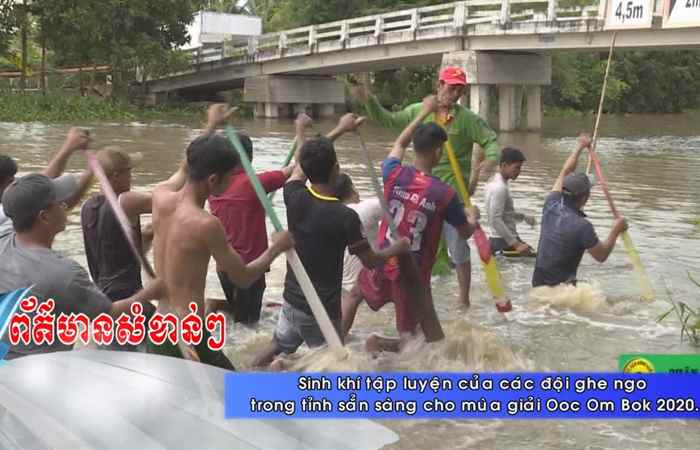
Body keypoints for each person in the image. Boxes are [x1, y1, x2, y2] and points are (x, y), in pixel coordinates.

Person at [252, 113, 410, 368]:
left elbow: (300, 165)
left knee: (277, 345)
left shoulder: (294, 196)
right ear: (336, 169)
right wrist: (397, 248)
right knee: (330, 364)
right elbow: (370, 261)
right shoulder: (345, 217)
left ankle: (242, 381)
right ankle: (288, 369)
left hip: (291, 299)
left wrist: (311, 130)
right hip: (322, 309)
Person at [150, 105, 294, 369]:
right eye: (230, 177)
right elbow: (243, 276)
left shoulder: (160, 196)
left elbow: (187, 165)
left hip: (160, 325)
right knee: (238, 398)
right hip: (188, 333)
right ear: (213, 180)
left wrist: (211, 124)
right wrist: (277, 247)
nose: (233, 182)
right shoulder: (206, 224)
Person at [354, 66, 500, 308]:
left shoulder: (467, 120)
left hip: (453, 196)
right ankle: (422, 292)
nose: (454, 94)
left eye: (459, 90)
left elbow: (490, 140)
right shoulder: (418, 111)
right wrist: (370, 102)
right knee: (422, 249)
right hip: (423, 195)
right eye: (451, 88)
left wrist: (491, 159)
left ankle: (463, 299)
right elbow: (389, 120)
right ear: (439, 85)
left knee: (459, 249)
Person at [342, 96, 477, 351]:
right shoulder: (444, 194)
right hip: (412, 274)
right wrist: (473, 215)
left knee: (354, 295)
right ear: (438, 153)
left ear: (416, 148)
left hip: (383, 259)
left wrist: (423, 112)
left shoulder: (392, 172)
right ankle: (378, 343)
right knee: (416, 341)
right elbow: (465, 232)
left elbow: (399, 142)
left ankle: (334, 347)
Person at [0, 174, 164, 359]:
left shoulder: (3, 236)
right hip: (39, 368)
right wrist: (150, 292)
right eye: (59, 203)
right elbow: (109, 314)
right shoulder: (64, 274)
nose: (65, 205)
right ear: (44, 217)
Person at [208, 133, 294, 324]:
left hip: (224, 266)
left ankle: (218, 306)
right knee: (248, 324)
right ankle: (216, 308)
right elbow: (296, 170)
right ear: (249, 157)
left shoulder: (213, 186)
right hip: (251, 268)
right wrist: (302, 134)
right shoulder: (253, 183)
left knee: (239, 312)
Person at [81, 148, 187, 302]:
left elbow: (112, 247)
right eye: (129, 172)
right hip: (127, 295)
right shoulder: (125, 201)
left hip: (103, 299)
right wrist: (188, 164)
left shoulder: (87, 207)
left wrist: (148, 233)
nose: (132, 177)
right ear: (116, 176)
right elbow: (167, 197)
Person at [532, 134, 629, 287]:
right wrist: (616, 230)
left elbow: (565, 171)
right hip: (562, 289)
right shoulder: (582, 226)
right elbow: (601, 255)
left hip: (538, 283)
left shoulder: (551, 203)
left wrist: (580, 147)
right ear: (584, 198)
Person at [0, 128, 94, 235]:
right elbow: (62, 205)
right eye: (10, 182)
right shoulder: (7, 213)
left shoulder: (9, 204)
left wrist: (69, 147)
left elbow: (39, 184)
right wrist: (90, 173)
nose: (15, 185)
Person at [334, 173, 383, 337]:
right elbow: (394, 206)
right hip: (365, 275)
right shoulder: (367, 208)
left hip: (338, 276)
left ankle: (334, 341)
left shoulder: (333, 213)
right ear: (352, 189)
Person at [484, 146, 536, 256]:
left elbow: (504, 214)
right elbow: (495, 219)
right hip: (504, 242)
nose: (519, 172)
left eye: (520, 168)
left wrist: (523, 217)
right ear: (504, 165)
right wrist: (516, 244)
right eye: (516, 168)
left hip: (497, 240)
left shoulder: (492, 182)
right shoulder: (500, 188)